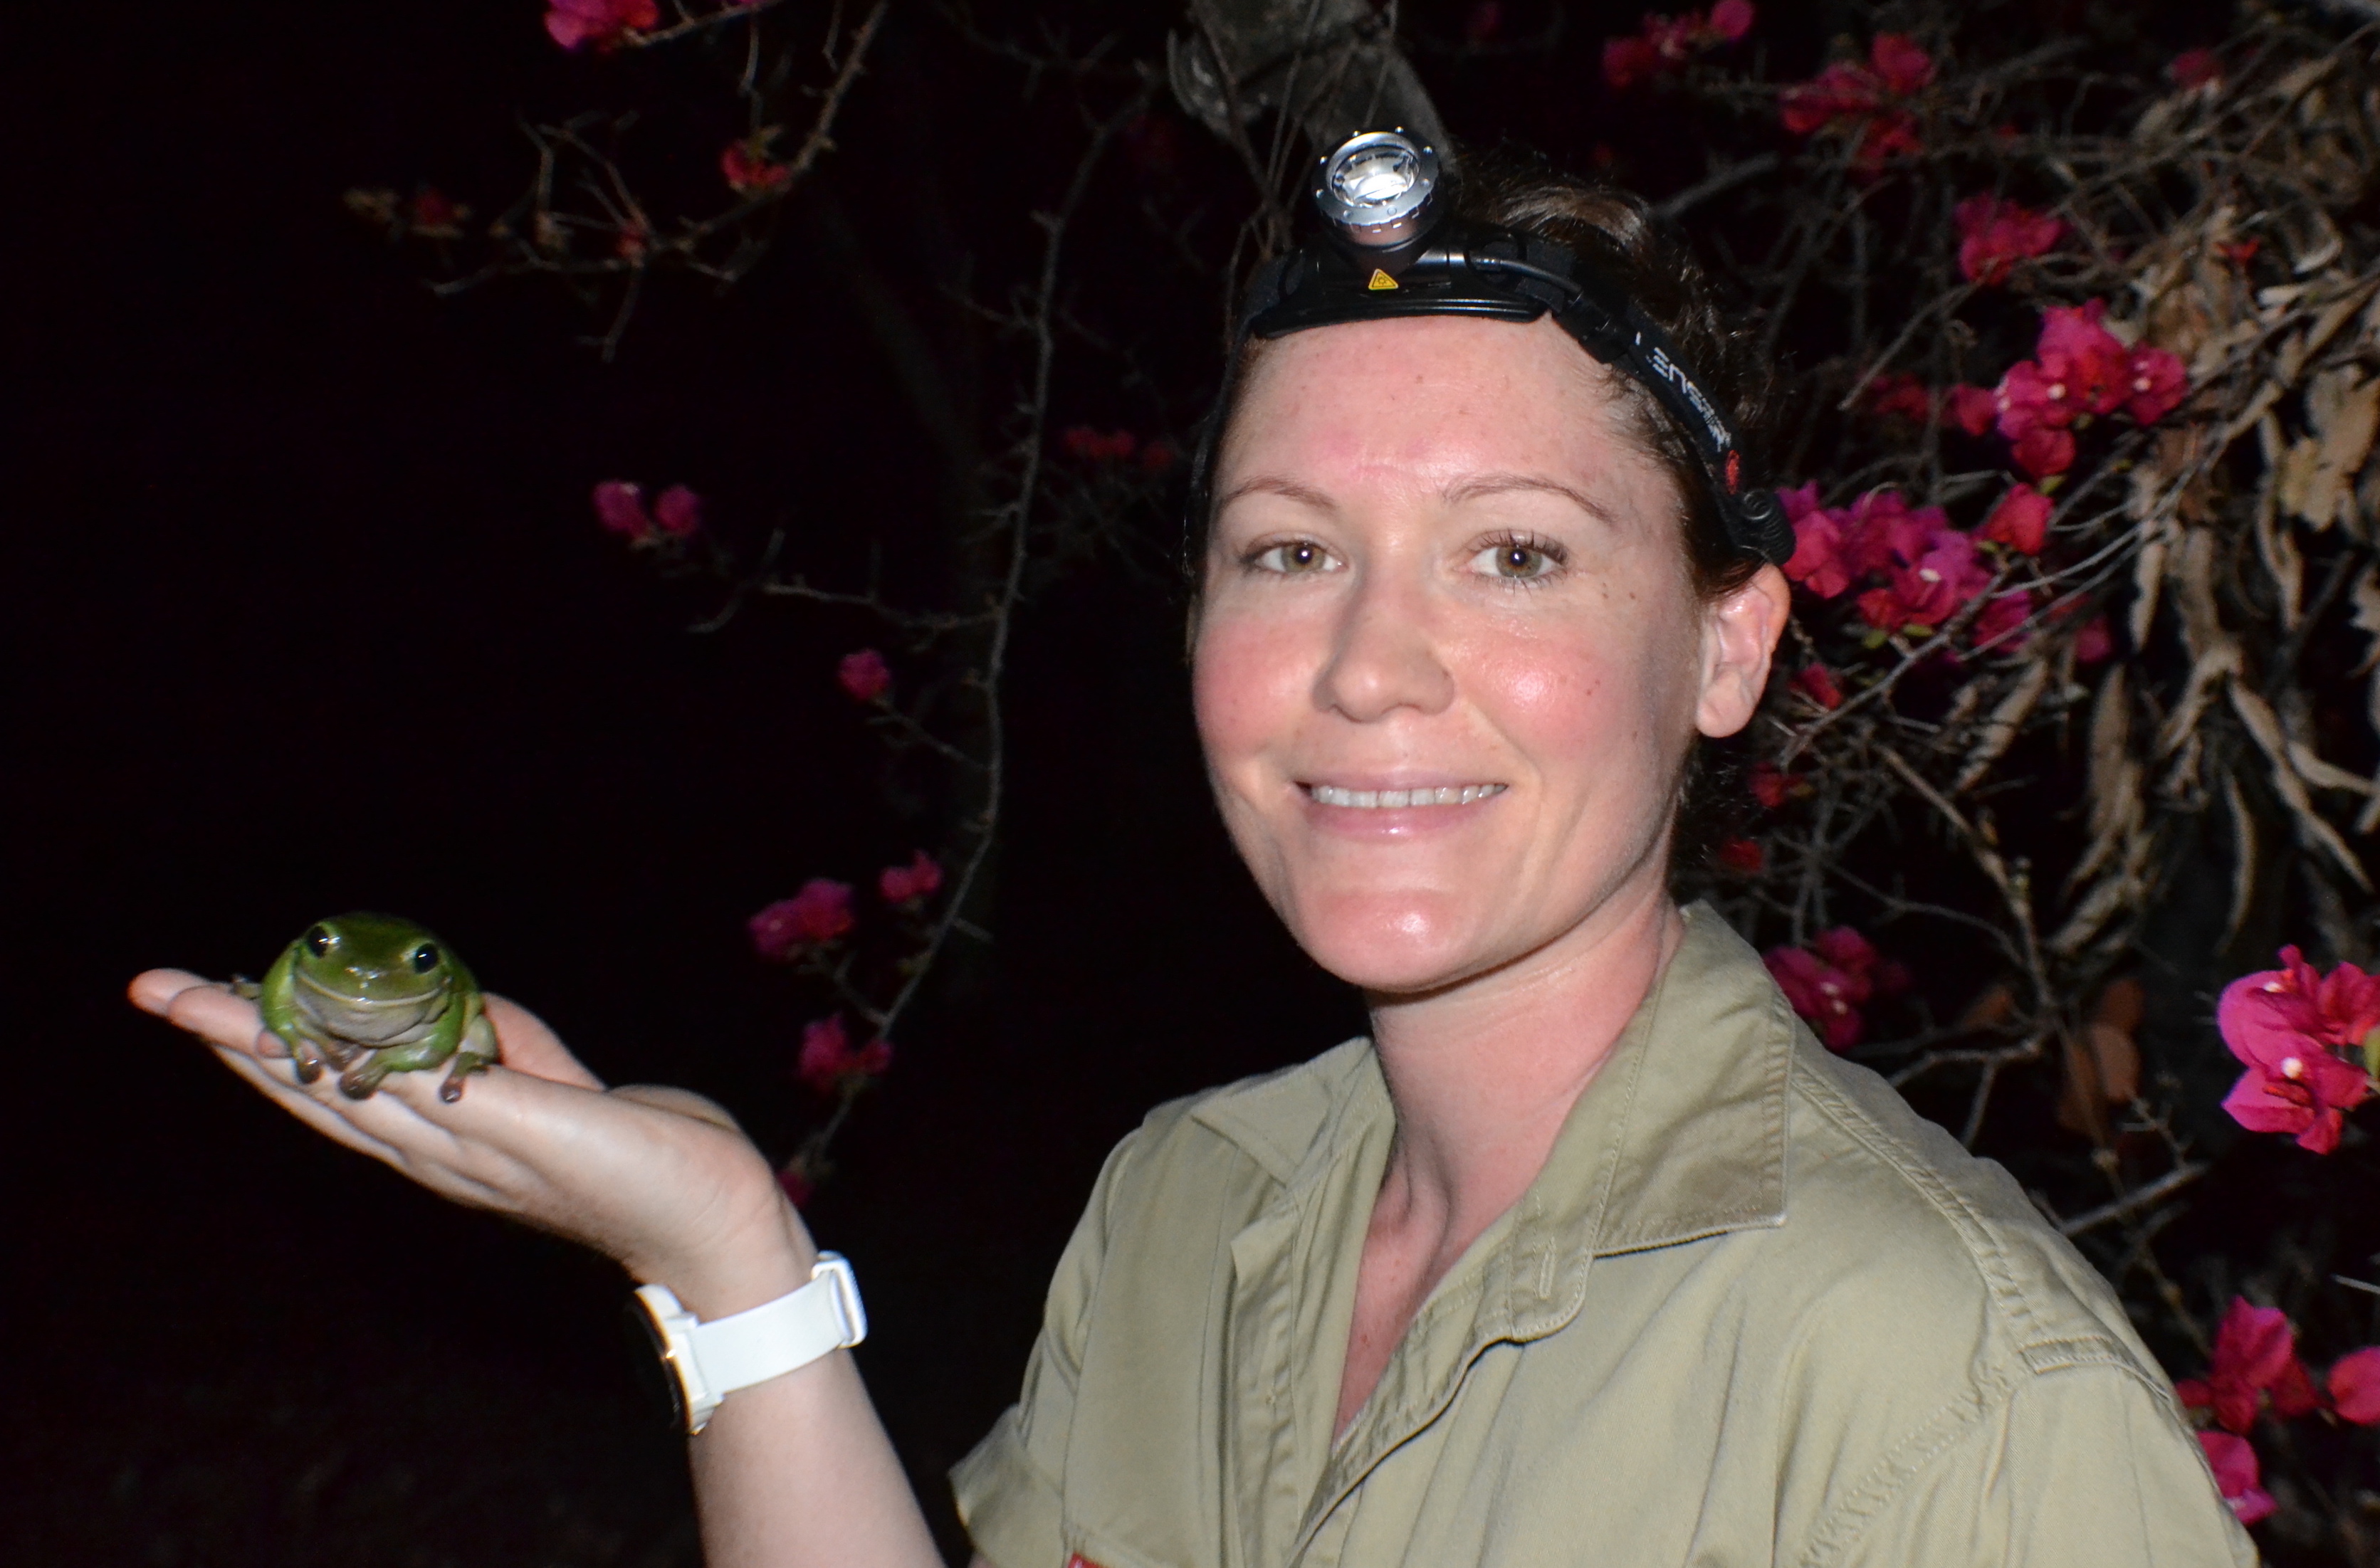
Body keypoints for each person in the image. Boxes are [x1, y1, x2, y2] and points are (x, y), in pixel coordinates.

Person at [132, 135, 2253, 1567]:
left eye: (1513, 554)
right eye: (1287, 551)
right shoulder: (1188, 1210)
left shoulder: (1943, 1396)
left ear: (1723, 646)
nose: (1366, 668)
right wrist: (725, 1265)